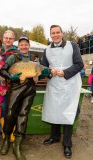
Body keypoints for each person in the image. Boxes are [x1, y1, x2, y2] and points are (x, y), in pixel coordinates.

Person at [0, 36, 50, 160]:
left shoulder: (34, 59)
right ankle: (6, 139)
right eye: (21, 44)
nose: (24, 46)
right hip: (15, 88)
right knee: (10, 114)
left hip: (29, 90)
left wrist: (44, 73)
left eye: (26, 44)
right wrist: (11, 77)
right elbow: (2, 71)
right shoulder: (13, 57)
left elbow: (41, 73)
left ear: (29, 46)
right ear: (18, 46)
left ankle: (17, 145)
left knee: (23, 116)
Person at [41, 25, 84, 159]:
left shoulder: (73, 46)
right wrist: (49, 72)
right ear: (50, 35)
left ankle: (67, 144)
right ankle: (54, 137)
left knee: (68, 113)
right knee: (54, 110)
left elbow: (79, 64)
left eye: (57, 32)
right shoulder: (47, 50)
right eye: (53, 33)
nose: (55, 35)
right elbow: (43, 69)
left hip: (70, 83)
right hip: (54, 84)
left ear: (62, 33)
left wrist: (65, 72)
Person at [0, 30, 18, 118]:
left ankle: (1, 126)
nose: (8, 40)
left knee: (4, 106)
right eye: (6, 38)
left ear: (13, 40)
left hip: (8, 85)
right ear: (3, 39)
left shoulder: (16, 53)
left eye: (10, 38)